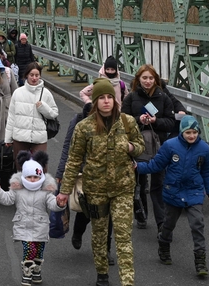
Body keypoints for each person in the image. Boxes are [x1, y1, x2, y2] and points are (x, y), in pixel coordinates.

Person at [57, 78, 145, 286]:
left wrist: (131, 148)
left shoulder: (127, 122)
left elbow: (141, 146)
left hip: (122, 188)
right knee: (99, 234)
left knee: (123, 237)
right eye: (101, 98)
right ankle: (102, 273)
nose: (106, 101)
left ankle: (127, 281)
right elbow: (74, 160)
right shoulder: (84, 127)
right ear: (95, 101)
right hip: (96, 190)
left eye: (109, 97)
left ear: (115, 101)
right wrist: (64, 191)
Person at [136, 115, 209, 277]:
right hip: (173, 191)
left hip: (194, 191)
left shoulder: (204, 149)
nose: (192, 136)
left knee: (197, 224)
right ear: (182, 132)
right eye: (188, 133)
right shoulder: (170, 146)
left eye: (194, 132)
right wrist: (137, 167)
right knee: (168, 224)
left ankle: (200, 260)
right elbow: (157, 164)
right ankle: (164, 244)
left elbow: (207, 171)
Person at [55, 102, 117, 265]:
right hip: (85, 173)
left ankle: (106, 250)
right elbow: (67, 146)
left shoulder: (113, 119)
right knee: (87, 209)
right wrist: (61, 173)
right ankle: (78, 231)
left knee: (108, 214)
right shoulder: (78, 120)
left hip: (107, 175)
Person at [0, 151, 63, 286]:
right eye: (29, 176)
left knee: (39, 250)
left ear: (40, 176)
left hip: (40, 227)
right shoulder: (17, 189)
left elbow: (52, 203)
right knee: (30, 249)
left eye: (35, 177)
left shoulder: (45, 190)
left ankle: (36, 270)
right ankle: (27, 272)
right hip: (23, 226)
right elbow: (7, 199)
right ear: (23, 176)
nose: (32, 179)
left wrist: (59, 204)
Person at [120, 64, 177, 230]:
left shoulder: (163, 98)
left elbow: (170, 122)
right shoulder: (131, 98)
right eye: (144, 78)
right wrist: (139, 120)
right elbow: (123, 121)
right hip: (138, 145)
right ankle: (141, 214)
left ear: (156, 80)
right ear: (138, 79)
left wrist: (155, 121)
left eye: (151, 78)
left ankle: (161, 222)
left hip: (159, 145)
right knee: (139, 180)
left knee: (158, 182)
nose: (148, 81)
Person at [4, 62, 58, 170]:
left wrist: (43, 107)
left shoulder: (46, 93)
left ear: (40, 76)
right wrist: (8, 138)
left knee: (41, 168)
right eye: (31, 75)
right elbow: (11, 116)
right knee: (21, 168)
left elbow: (54, 113)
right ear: (26, 76)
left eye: (37, 75)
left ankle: (41, 187)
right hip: (20, 136)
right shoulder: (18, 93)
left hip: (39, 136)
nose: (34, 78)